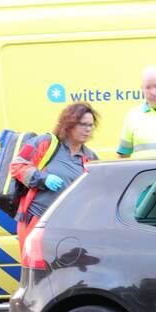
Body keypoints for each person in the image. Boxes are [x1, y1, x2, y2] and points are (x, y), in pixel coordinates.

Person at [11, 103, 99, 252]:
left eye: (90, 125)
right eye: (83, 124)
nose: (88, 129)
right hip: (37, 220)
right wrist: (43, 178)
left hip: (68, 226)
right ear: (69, 124)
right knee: (36, 265)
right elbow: (17, 166)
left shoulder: (90, 157)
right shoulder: (45, 143)